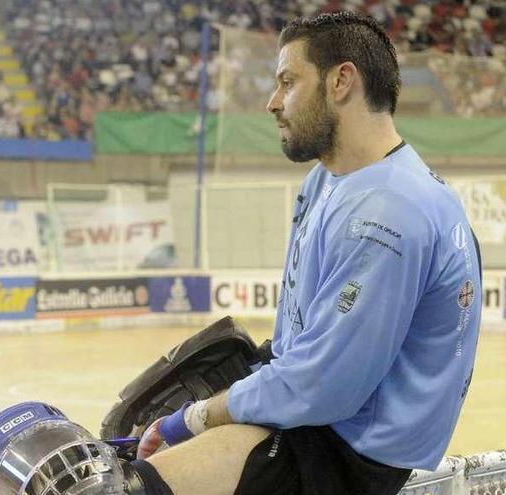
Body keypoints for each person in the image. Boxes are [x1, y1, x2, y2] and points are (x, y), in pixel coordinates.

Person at [129, 12, 482, 495]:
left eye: (288, 81)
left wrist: (190, 419)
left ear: (341, 81)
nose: (274, 102)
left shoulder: (388, 213)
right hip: (318, 422)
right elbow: (307, 344)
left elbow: (320, 388)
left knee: (128, 485)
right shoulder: (330, 179)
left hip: (345, 455)